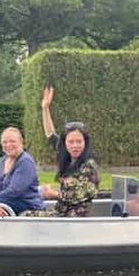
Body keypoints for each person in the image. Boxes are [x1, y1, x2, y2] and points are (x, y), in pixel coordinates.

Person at [24, 86, 100, 217]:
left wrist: (52, 193)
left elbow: (76, 196)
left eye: (79, 142)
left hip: (73, 217)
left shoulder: (90, 165)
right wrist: (45, 108)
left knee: (27, 216)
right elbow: (50, 135)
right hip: (60, 212)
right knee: (25, 213)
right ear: (65, 144)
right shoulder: (67, 156)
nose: (75, 146)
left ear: (85, 142)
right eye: (71, 142)